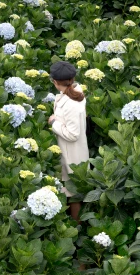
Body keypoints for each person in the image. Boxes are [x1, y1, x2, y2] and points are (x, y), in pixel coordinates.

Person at [48, 61, 89, 223]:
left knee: (73, 195)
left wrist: (53, 123)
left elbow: (73, 134)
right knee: (70, 192)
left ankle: (76, 229)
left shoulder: (72, 102)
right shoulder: (73, 93)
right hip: (68, 151)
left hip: (72, 154)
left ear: (55, 82)